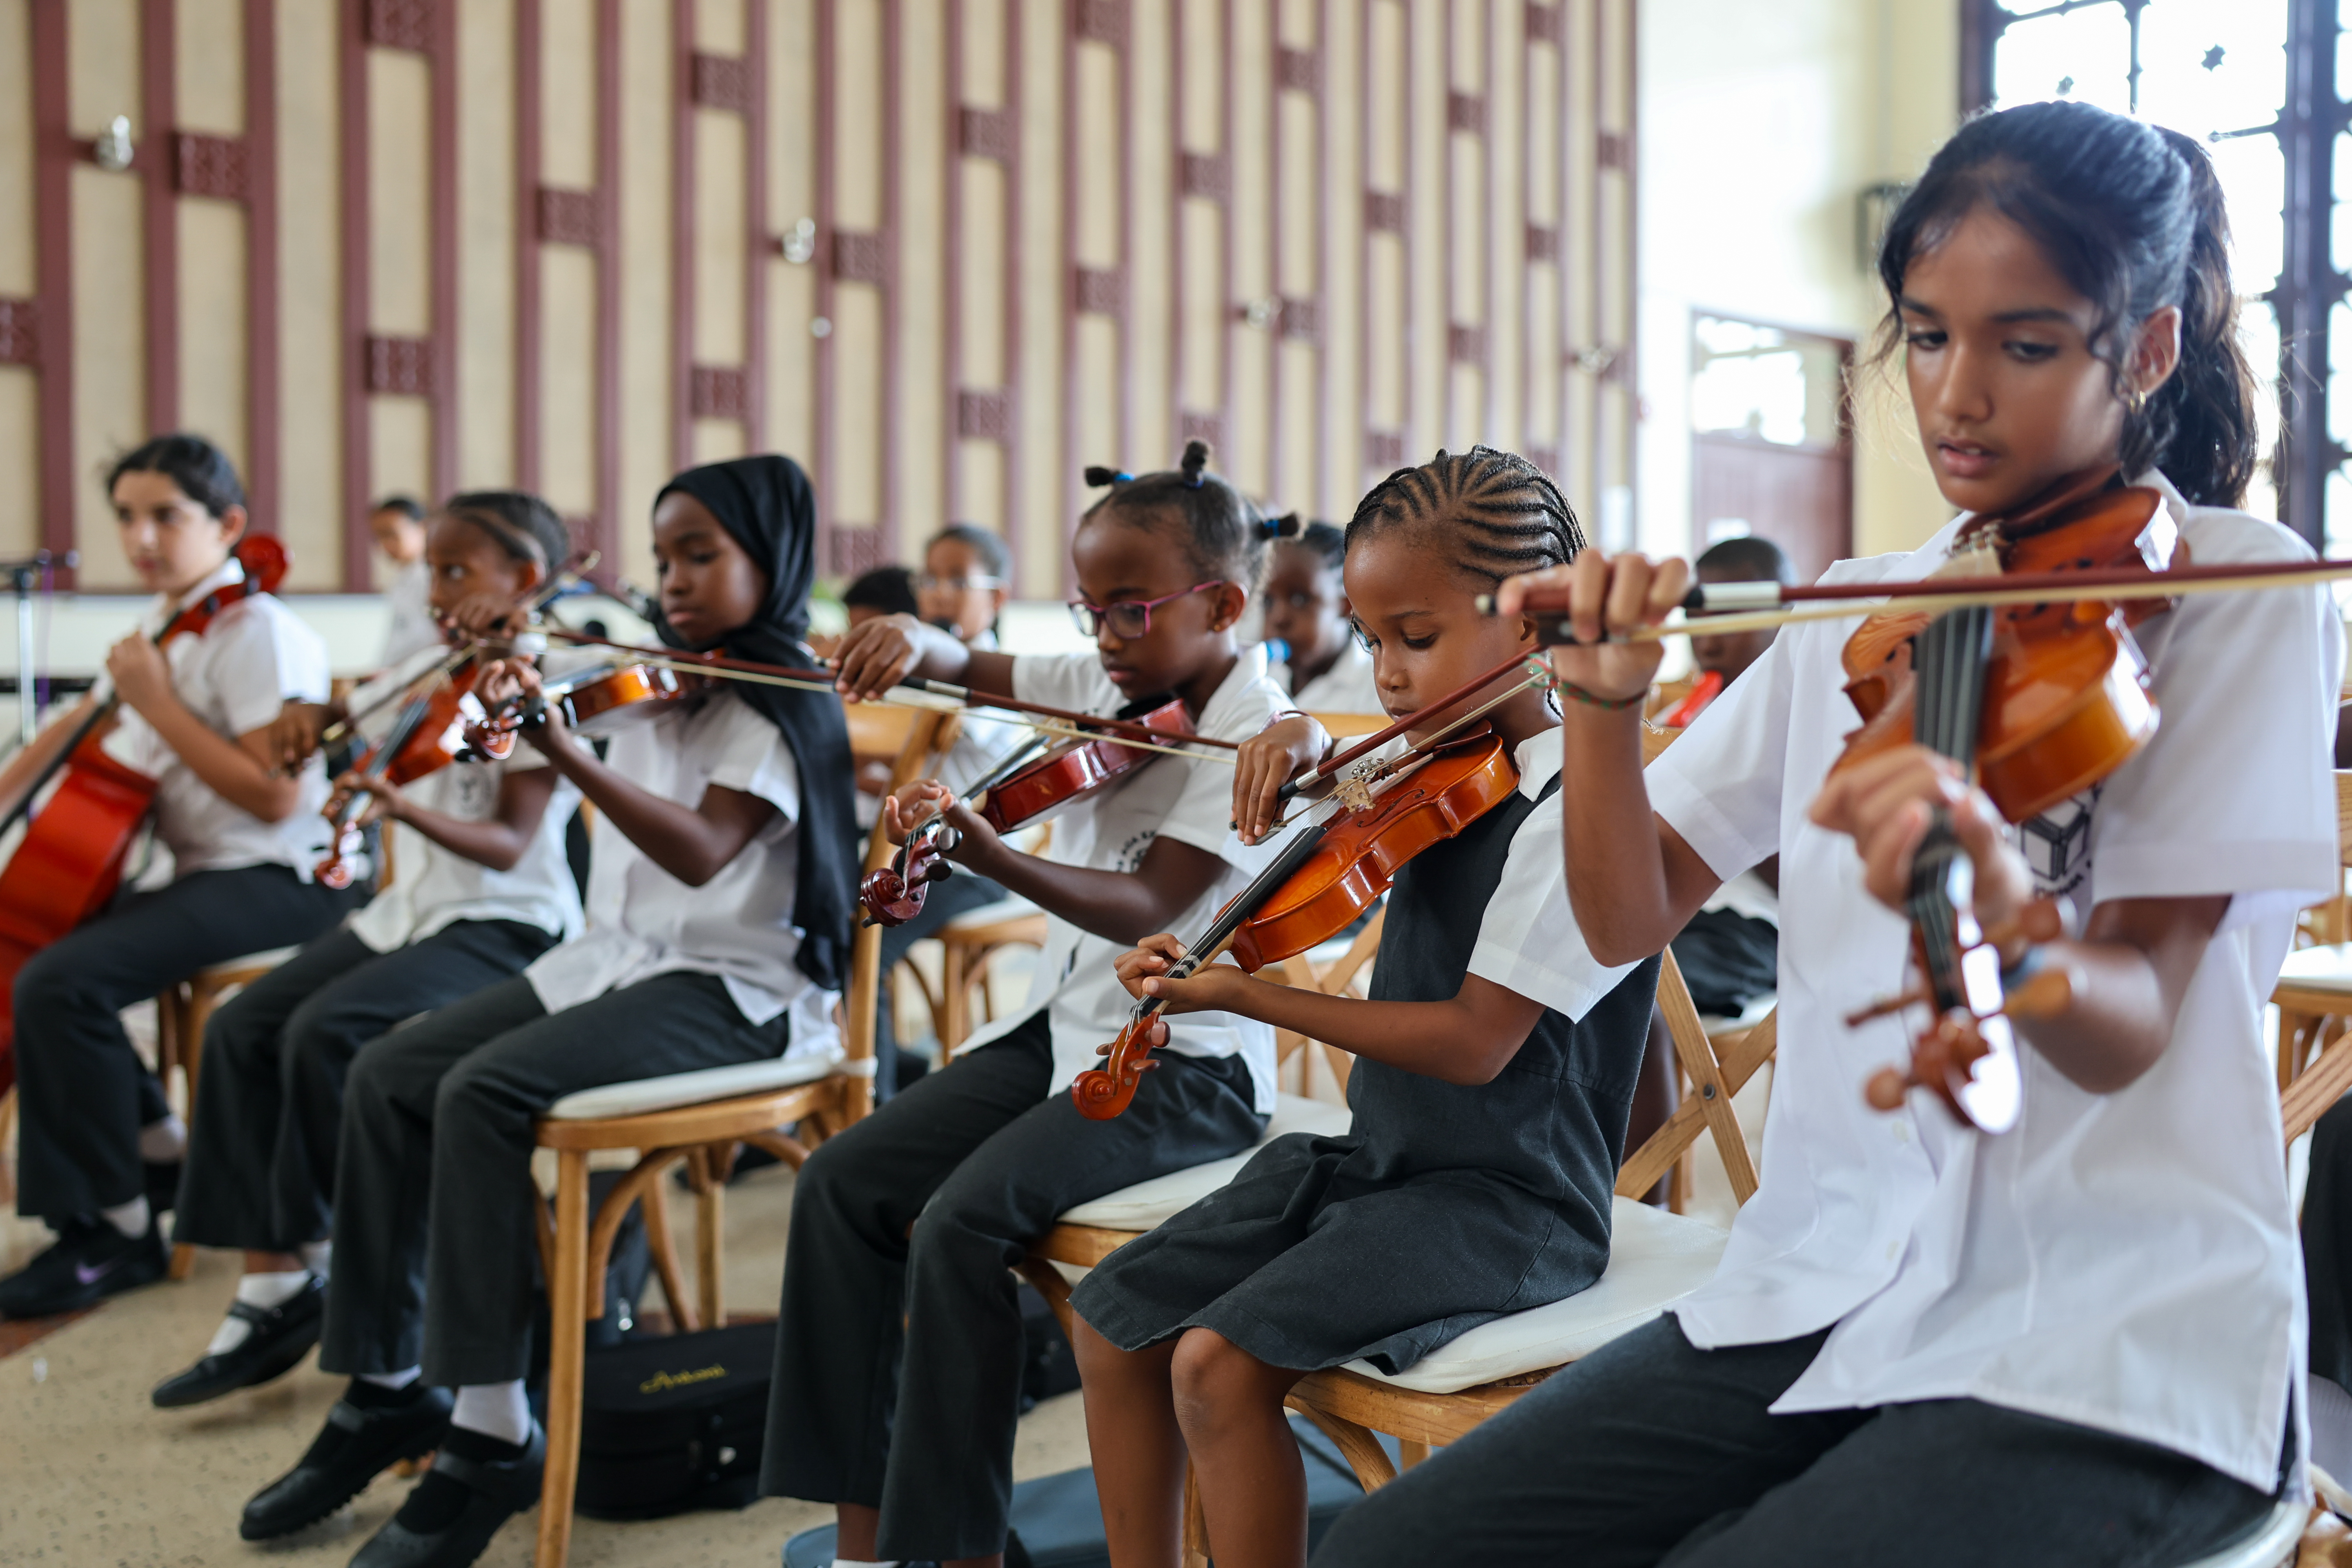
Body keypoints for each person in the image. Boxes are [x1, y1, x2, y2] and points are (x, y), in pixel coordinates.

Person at [1311, 100, 2338, 1568]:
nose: (1957, 395)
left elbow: (2128, 1024)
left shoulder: (2236, 589)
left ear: (2150, 349)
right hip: (1825, 1287)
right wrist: (1602, 710)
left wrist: (2002, 895)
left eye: (2025, 343)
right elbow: (1618, 917)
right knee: (1381, 1553)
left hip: (2115, 1339)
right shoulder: (1861, 609)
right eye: (1927, 335)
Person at [234, 455, 859, 1568]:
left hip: (739, 995)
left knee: (482, 1092)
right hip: (613, 963)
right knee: (386, 1072)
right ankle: (386, 1386)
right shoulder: (653, 672)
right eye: (662, 557)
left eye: (702, 556)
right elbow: (539, 662)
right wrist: (507, 640)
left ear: (777, 558)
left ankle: (491, 1426)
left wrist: (564, 744)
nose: (671, 580)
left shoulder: (780, 700)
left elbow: (707, 853)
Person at [1070, 447, 1659, 1568]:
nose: (1387, 675)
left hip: (1508, 1202)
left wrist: (1246, 993)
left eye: (1416, 640)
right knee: (1109, 1318)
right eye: (1371, 637)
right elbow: (1347, 766)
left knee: (1214, 1365)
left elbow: (1479, 1044)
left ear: (1531, 629)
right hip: (1385, 1164)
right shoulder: (1438, 763)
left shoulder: (1572, 810)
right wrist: (1298, 734)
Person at [765, 439, 1292, 1568]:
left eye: (1129, 610)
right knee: (843, 1182)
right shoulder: (1113, 683)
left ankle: (959, 1553)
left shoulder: (1258, 737)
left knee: (961, 1222)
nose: (1102, 635)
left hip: (1183, 1068)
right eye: (1087, 607)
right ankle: (863, 1542)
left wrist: (986, 852)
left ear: (1222, 603)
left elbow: (1153, 903)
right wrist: (919, 640)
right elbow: (976, 665)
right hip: (1067, 1035)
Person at [150, 492, 584, 1409]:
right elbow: (347, 711)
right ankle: (274, 1279)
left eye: (459, 571)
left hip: (506, 920)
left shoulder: (545, 677)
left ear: (529, 581)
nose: (438, 588)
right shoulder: (432, 665)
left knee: (326, 1030)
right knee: (241, 1025)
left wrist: (401, 806)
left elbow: (511, 843)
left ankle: (336, 1254)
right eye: (434, 569)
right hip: (407, 913)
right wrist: (314, 714)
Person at [0, 435, 359, 1320]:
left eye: (167, 514)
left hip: (287, 875)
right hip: (205, 873)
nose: (142, 536)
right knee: (43, 954)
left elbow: (279, 799)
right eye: (127, 516)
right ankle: (160, 1144)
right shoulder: (167, 628)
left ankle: (113, 1230)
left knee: (62, 981)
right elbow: (74, 736)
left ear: (227, 523)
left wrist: (156, 701)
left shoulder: (260, 633)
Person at [868, 523, 1025, 1097]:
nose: (937, 594)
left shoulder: (995, 675)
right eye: (928, 580)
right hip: (913, 858)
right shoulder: (920, 676)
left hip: (977, 870)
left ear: (997, 597)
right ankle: (884, 1064)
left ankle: (875, 1101)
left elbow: (957, 730)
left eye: (957, 581)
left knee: (869, 942)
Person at [1262, 517, 1382, 715]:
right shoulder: (1262, 678)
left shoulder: (1377, 690)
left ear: (1347, 607)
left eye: (1300, 599)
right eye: (1268, 601)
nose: (1279, 618)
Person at [371, 495, 441, 664]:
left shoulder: (431, 577)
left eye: (392, 534)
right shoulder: (403, 578)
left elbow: (429, 638)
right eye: (379, 537)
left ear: (421, 528)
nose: (385, 544)